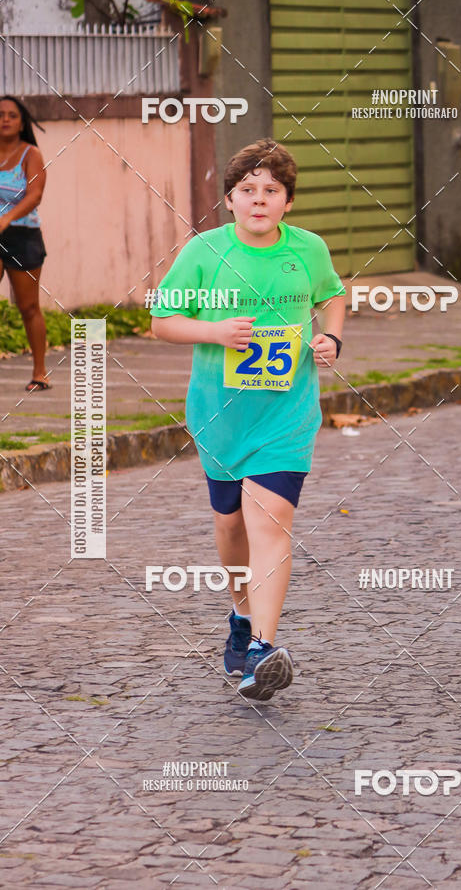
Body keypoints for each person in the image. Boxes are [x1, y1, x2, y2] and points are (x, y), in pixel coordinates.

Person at [151, 138, 345, 701]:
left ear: (288, 201)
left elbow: (333, 297)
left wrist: (331, 337)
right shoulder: (205, 252)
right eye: (248, 190)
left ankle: (262, 648)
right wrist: (214, 331)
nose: (259, 199)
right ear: (230, 199)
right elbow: (162, 321)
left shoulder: (308, 249)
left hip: (287, 413)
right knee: (231, 526)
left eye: (272, 190)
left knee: (270, 522)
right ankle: (240, 614)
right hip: (220, 415)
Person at [0, 95, 49, 391]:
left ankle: (40, 372)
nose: (5, 119)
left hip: (22, 235)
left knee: (28, 307)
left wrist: (7, 218)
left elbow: (35, 195)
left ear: (21, 123)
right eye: (0, 114)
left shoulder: (30, 154)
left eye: (12, 115)